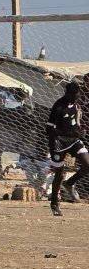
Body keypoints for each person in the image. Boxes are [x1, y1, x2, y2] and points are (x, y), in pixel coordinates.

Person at [45, 82, 89, 217]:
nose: (76, 97)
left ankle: (69, 183)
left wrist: (80, 131)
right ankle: (54, 204)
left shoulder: (76, 105)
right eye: (74, 95)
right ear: (67, 94)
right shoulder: (58, 106)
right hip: (58, 142)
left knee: (87, 164)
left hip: (73, 141)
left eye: (78, 95)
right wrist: (67, 133)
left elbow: (75, 122)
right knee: (59, 174)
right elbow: (49, 129)